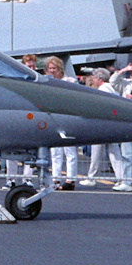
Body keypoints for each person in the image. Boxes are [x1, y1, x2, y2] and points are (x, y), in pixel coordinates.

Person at [84, 69, 126, 188]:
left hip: (102, 124)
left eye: (94, 78)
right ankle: (121, 177)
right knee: (114, 152)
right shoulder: (112, 88)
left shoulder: (103, 89)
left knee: (97, 151)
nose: (93, 80)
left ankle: (91, 177)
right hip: (111, 123)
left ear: (100, 79)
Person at [44, 56, 78, 189]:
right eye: (50, 68)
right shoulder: (47, 82)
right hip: (53, 118)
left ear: (60, 69)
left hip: (67, 117)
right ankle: (56, 179)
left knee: (69, 150)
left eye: (55, 68)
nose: (52, 71)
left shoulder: (69, 81)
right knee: (55, 151)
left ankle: (71, 179)